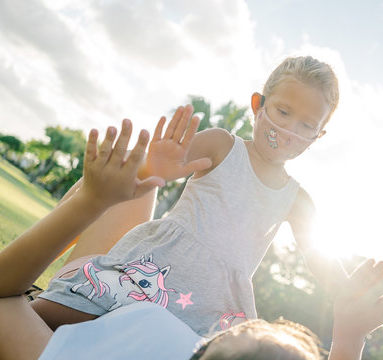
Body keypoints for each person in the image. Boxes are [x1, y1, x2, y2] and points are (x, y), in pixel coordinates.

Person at [0, 118, 383, 359]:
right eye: (283, 113)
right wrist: (348, 338)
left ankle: (60, 292)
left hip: (114, 291)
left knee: (131, 191)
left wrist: (91, 201)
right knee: (139, 187)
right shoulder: (229, 148)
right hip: (154, 276)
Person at [30, 56, 355, 336]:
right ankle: (20, 278)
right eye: (283, 112)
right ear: (259, 105)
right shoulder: (222, 145)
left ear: (317, 136)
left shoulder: (297, 200)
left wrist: (356, 295)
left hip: (208, 309)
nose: (289, 132)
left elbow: (322, 262)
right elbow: (147, 172)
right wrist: (149, 165)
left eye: (305, 125)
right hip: (153, 271)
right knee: (45, 317)